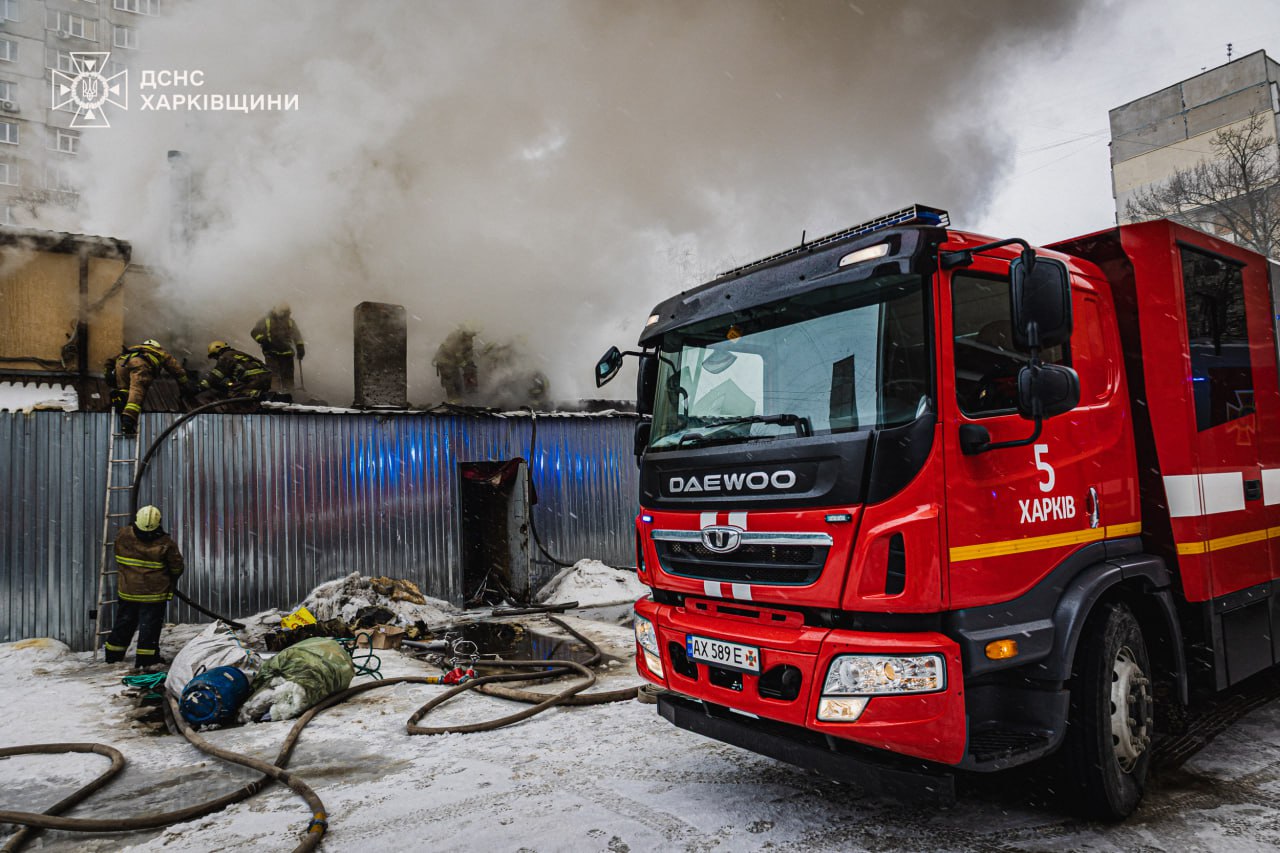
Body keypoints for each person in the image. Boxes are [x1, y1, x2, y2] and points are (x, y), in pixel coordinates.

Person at [103, 505, 185, 669]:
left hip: (128, 591)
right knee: (149, 628)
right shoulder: (165, 543)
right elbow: (177, 567)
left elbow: (117, 553)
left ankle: (113, 655)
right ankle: (146, 659)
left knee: (124, 623)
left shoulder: (123, 535)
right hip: (153, 595)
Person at [113, 339, 193, 435]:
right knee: (137, 390)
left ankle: (120, 403)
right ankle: (128, 421)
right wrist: (184, 384)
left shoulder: (134, 348)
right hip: (139, 364)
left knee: (124, 390)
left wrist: (108, 373)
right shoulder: (158, 351)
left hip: (121, 364)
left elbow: (110, 360)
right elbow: (176, 369)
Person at [199, 340, 272, 411]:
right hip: (267, 378)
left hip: (254, 379)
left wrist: (199, 387)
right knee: (241, 388)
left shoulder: (225, 357)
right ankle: (264, 401)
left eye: (214, 356)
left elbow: (215, 377)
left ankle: (261, 395)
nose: (215, 358)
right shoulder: (239, 353)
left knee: (234, 393)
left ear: (218, 351)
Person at [251, 303, 305, 392]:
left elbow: (297, 336)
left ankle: (289, 395)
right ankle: (274, 394)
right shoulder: (266, 320)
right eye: (285, 312)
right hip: (271, 352)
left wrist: (300, 347)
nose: (287, 314)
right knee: (273, 375)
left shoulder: (290, 321)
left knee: (288, 376)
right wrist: (264, 341)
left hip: (287, 353)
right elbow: (254, 332)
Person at [433, 325, 478, 403]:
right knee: (450, 382)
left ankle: (460, 401)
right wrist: (465, 366)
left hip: (453, 363)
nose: (471, 338)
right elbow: (458, 354)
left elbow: (467, 353)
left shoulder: (466, 338)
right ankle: (454, 403)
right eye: (470, 335)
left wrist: (470, 365)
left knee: (458, 382)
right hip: (445, 362)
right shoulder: (456, 338)